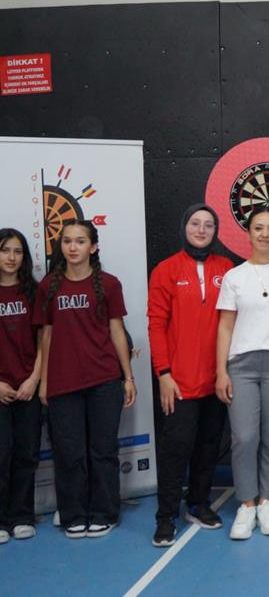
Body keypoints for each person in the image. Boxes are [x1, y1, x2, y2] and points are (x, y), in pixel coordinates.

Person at [34, 220, 136, 538]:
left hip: (104, 380)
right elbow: (46, 335)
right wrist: (44, 381)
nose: (73, 247)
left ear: (93, 247)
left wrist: (128, 377)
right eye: (67, 241)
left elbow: (117, 330)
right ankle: (73, 514)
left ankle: (105, 512)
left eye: (80, 241)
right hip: (63, 383)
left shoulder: (109, 284)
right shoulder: (48, 286)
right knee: (69, 453)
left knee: (103, 451)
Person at [215, 205, 269, 541]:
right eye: (258, 228)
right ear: (248, 233)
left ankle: (266, 501)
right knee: (244, 437)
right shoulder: (234, 277)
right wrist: (221, 371)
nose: (265, 234)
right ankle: (246, 504)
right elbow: (225, 327)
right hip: (241, 365)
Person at [147, 204, 232, 546]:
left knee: (209, 445)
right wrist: (163, 373)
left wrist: (225, 372)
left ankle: (198, 503)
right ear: (184, 227)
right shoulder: (166, 270)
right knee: (175, 449)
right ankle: (166, 516)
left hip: (216, 378)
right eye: (195, 223)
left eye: (208, 225)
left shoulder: (226, 268)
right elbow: (156, 325)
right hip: (179, 381)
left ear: (215, 231)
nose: (201, 230)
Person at [0, 229, 42, 543]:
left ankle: (22, 516)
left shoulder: (33, 292)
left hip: (28, 386)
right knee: (2, 454)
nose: (11, 257)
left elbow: (45, 341)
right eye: (5, 250)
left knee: (27, 454)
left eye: (17, 251)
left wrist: (34, 379)